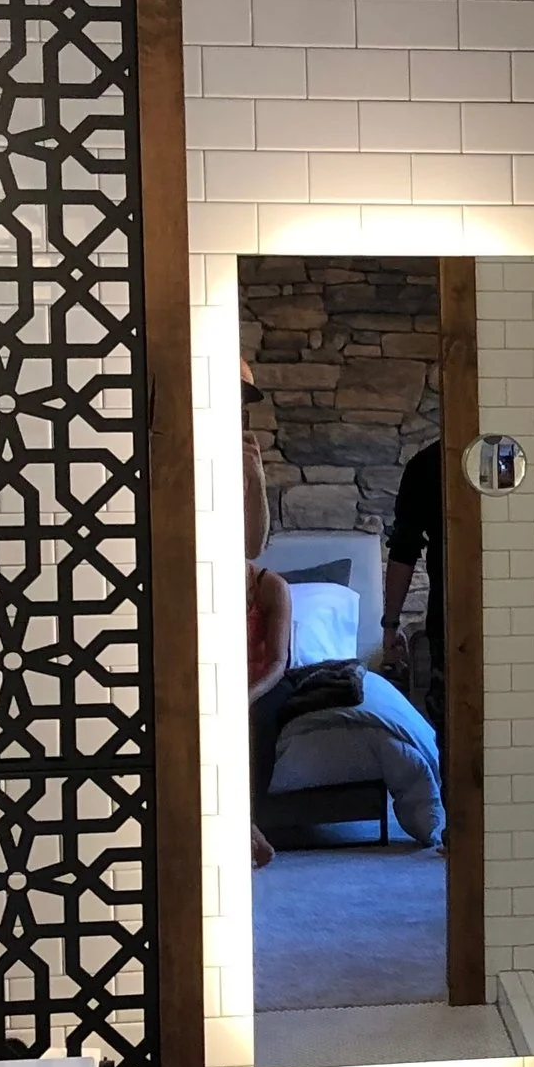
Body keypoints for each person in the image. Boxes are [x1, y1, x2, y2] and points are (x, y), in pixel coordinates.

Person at [242, 368, 290, 869]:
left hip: (261, 684)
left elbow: (279, 663)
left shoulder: (270, 587)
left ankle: (247, 828)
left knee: (260, 721)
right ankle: (246, 828)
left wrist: (254, 476)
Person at [381, 434, 446, 749]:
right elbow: (404, 548)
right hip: (448, 621)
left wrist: (390, 626)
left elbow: (404, 549)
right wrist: (390, 625)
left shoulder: (426, 464)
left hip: (448, 620)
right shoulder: (428, 466)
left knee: (450, 719)